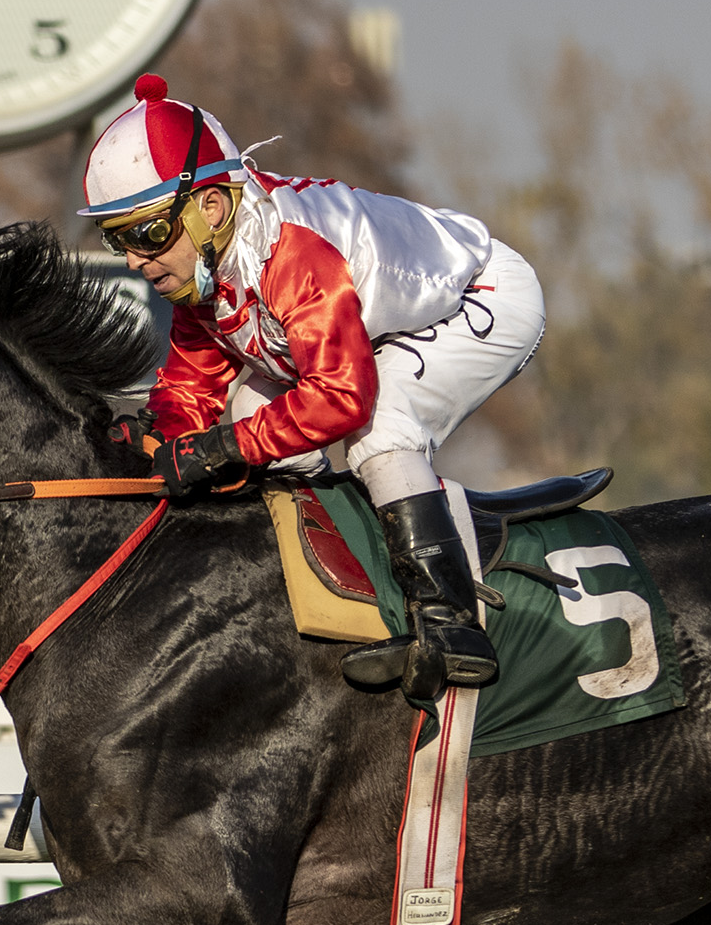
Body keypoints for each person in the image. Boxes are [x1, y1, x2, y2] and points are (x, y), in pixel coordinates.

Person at [80, 74, 545, 701]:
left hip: (483, 295)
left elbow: (341, 396)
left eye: (146, 234)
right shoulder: (207, 262)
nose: (135, 260)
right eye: (117, 239)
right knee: (250, 409)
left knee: (378, 427)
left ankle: (449, 622)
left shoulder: (292, 255)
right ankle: (339, 592)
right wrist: (155, 446)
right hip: (367, 324)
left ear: (210, 207)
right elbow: (191, 387)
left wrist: (223, 449)